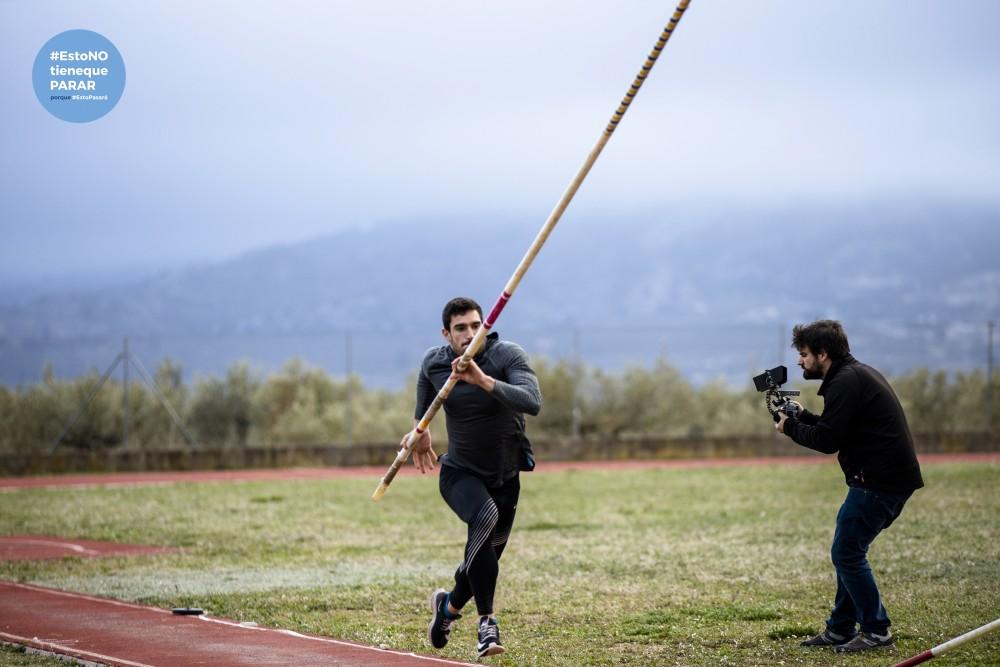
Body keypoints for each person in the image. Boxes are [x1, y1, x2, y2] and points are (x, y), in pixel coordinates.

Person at [774, 319, 924, 653]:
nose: (800, 361)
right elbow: (838, 429)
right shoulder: (853, 376)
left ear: (822, 353)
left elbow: (828, 442)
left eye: (804, 354)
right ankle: (840, 629)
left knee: (847, 552)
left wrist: (790, 429)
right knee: (849, 552)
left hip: (879, 481)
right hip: (882, 478)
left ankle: (876, 630)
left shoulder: (844, 382)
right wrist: (802, 417)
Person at [406, 297, 542, 658]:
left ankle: (447, 608)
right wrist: (419, 433)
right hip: (459, 473)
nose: (469, 334)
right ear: (446, 334)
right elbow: (423, 416)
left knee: (483, 556)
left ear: (486, 325)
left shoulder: (506, 356)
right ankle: (487, 625)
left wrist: (483, 381)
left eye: (475, 325)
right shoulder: (434, 363)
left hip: (506, 476)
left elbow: (532, 400)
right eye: (460, 328)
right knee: (484, 519)